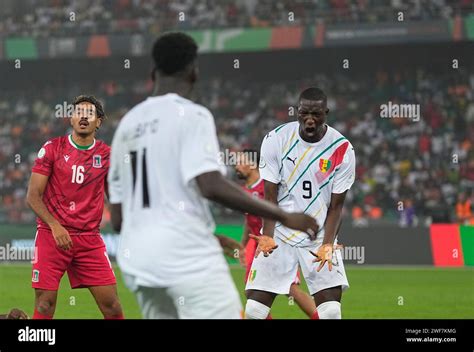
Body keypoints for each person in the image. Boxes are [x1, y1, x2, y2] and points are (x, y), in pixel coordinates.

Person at [108, 32, 318, 319]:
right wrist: (283, 216)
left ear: (152, 72)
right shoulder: (193, 116)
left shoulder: (126, 126)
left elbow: (118, 220)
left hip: (137, 260)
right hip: (185, 255)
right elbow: (209, 184)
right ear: (193, 72)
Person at [245, 87, 356, 320]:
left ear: (326, 113)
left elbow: (336, 207)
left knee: (331, 313)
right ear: (297, 111)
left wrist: (327, 243)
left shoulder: (342, 149)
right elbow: (270, 197)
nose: (310, 119)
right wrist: (268, 235)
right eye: (304, 113)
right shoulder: (276, 139)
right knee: (254, 311)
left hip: (318, 234)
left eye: (316, 114)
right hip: (281, 234)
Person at [26, 95, 123, 320]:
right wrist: (55, 225)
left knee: (112, 305)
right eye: (79, 112)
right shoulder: (52, 149)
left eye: (90, 113)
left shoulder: (106, 155)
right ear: (71, 118)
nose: (83, 117)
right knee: (44, 304)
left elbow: (115, 195)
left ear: (98, 122)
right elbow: (33, 196)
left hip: (89, 239)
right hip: (52, 236)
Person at [235, 149, 318, 319]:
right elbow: (248, 220)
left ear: (252, 164)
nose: (236, 166)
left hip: (276, 243)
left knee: (290, 289)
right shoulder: (245, 191)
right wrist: (242, 246)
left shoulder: (267, 185)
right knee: (252, 291)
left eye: (240, 162)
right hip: (259, 246)